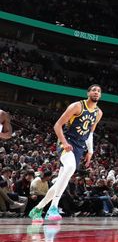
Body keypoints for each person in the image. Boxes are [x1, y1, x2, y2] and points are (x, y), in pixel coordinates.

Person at [29, 84, 103, 223]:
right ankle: (53, 207)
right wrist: (64, 143)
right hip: (67, 142)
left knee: (60, 183)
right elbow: (57, 125)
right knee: (70, 168)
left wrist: (90, 152)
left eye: (99, 91)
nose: (96, 92)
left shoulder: (98, 113)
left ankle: (38, 209)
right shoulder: (77, 106)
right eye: (93, 90)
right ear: (88, 93)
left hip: (80, 146)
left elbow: (90, 133)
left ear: (101, 95)